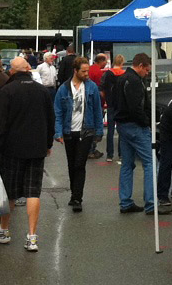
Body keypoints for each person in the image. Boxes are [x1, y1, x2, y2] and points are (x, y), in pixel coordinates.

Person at [0, 57, 54, 251]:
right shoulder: (42, 91)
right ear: (28, 69)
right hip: (36, 148)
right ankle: (32, 236)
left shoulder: (7, 92)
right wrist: (48, 143)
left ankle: (4, 230)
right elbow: (50, 119)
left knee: (10, 191)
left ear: (12, 72)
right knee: (33, 191)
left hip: (12, 148)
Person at [52, 56, 103, 212]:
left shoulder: (92, 87)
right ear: (75, 71)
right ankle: (74, 193)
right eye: (84, 71)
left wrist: (99, 131)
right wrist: (58, 132)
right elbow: (58, 112)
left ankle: (77, 198)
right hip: (69, 132)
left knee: (80, 164)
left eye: (87, 70)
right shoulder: (63, 89)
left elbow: (97, 110)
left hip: (86, 131)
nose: (87, 74)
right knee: (71, 164)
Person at [116, 53, 165, 215]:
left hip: (122, 125)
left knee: (127, 164)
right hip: (136, 126)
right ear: (142, 66)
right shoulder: (136, 82)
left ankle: (125, 202)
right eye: (147, 70)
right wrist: (147, 122)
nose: (148, 73)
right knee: (151, 163)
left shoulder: (122, 79)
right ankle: (151, 204)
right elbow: (136, 108)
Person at [100, 55, 127, 162]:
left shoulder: (107, 74)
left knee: (110, 130)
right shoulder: (124, 74)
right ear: (122, 63)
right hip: (120, 105)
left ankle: (109, 155)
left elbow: (102, 88)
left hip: (110, 104)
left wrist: (107, 98)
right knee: (121, 130)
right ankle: (121, 154)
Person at [86, 53, 108, 159]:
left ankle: (89, 148)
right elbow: (101, 88)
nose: (106, 63)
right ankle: (91, 149)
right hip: (97, 102)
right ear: (101, 61)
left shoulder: (90, 69)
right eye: (105, 61)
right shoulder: (98, 72)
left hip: (88, 103)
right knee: (95, 126)